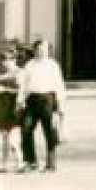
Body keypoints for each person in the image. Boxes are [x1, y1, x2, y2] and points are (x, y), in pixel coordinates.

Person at [19, 39, 65, 173]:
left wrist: (61, 106)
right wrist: (20, 101)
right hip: (32, 99)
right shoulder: (29, 65)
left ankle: (50, 163)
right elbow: (24, 85)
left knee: (50, 132)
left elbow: (59, 86)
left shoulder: (53, 66)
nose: (41, 52)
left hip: (48, 99)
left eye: (44, 49)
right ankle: (30, 161)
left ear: (48, 51)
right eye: (39, 49)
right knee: (26, 128)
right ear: (34, 50)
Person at [0, 49, 21, 170]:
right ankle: (4, 164)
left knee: (13, 137)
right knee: (4, 137)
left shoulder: (19, 72)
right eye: (4, 59)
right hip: (2, 107)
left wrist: (5, 88)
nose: (6, 62)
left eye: (9, 59)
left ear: (14, 59)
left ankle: (20, 161)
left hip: (14, 106)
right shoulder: (1, 72)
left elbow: (22, 89)